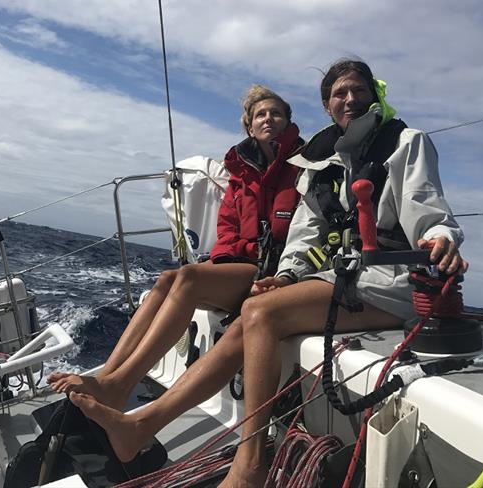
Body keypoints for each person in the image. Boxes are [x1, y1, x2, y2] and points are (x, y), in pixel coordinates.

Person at [69, 59, 469, 488]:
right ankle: (142, 423)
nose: (350, 99)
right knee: (246, 318)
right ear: (327, 106)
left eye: (358, 90)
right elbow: (305, 232)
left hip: (389, 281)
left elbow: (427, 205)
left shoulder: (406, 142)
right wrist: (286, 275)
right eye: (339, 94)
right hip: (339, 279)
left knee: (260, 314)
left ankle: (251, 465)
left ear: (374, 95)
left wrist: (440, 237)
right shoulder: (322, 159)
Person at [48, 84, 303, 414]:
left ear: (287, 121)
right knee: (170, 278)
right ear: (249, 125)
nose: (269, 118)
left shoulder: (303, 166)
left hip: (275, 268)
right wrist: (228, 258)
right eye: (261, 114)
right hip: (241, 262)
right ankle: (109, 374)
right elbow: (226, 225)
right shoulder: (241, 172)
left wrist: (245, 255)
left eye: (276, 113)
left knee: (190, 278)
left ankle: (118, 386)